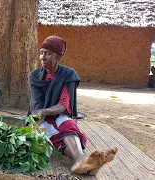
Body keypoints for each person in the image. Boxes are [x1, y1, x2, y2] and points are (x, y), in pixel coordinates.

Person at [27, 35, 118, 175]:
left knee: (67, 124)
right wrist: (37, 122)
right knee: (51, 133)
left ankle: (82, 162)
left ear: (58, 57)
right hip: (40, 117)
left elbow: (64, 104)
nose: (43, 57)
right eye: (41, 53)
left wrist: (45, 111)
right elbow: (37, 106)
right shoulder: (34, 76)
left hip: (59, 112)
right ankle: (88, 162)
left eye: (48, 53)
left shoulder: (68, 74)